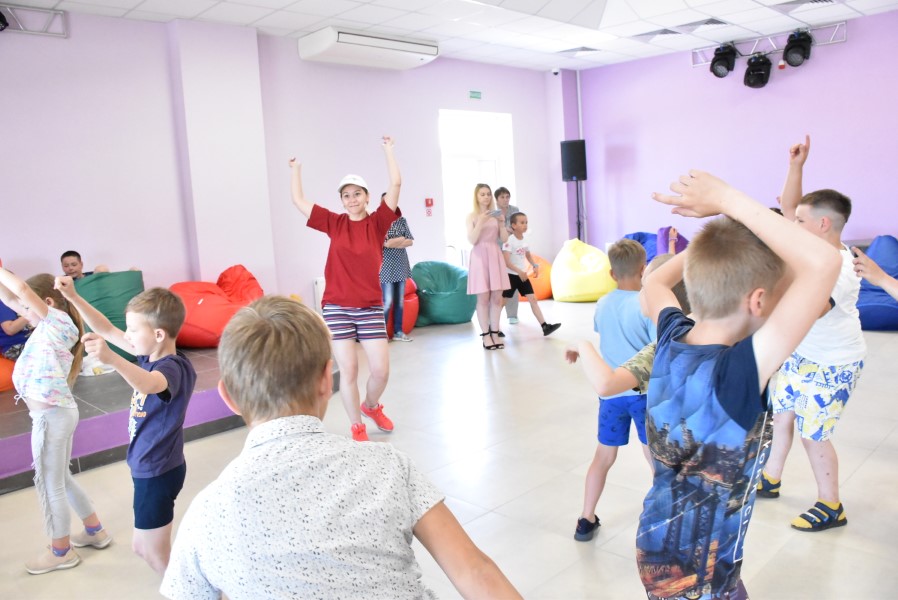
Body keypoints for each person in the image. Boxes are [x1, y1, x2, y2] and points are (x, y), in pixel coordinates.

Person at [160, 296, 522, 600]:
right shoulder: (388, 466)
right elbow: (475, 571)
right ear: (325, 380)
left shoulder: (207, 512)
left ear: (228, 397)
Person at [636, 170, 841, 599]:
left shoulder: (672, 333)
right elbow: (824, 263)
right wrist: (726, 201)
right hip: (698, 577)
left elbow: (653, 282)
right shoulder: (739, 372)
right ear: (759, 300)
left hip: (661, 546)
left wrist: (716, 241)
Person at [757, 135, 866, 533]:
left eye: (801, 222)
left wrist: (767, 301)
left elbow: (812, 310)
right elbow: (790, 207)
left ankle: (831, 504)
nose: (793, 226)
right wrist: (796, 166)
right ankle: (770, 478)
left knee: (813, 434)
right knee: (781, 415)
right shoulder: (814, 245)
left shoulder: (838, 267)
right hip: (804, 354)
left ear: (823, 224)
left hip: (833, 362)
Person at [55, 278, 196, 575]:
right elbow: (106, 328)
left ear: (158, 334)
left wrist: (112, 359)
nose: (127, 335)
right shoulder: (150, 356)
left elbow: (150, 384)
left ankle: (190, 590)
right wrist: (74, 297)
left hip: (158, 471)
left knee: (153, 552)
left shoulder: (172, 367)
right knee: (142, 546)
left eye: (133, 330)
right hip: (150, 467)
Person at [289, 136, 401, 442]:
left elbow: (395, 184)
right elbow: (299, 201)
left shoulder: (378, 223)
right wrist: (296, 170)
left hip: (370, 307)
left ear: (366, 197)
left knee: (381, 371)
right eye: (346, 195)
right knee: (348, 371)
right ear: (342, 200)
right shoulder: (334, 223)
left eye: (357, 194)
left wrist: (388, 151)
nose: (351, 199)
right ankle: (356, 425)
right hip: (337, 307)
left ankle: (371, 406)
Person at [0, 267, 108, 575]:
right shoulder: (48, 325)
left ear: (47, 302)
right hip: (55, 414)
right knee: (61, 478)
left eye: (27, 309)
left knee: (51, 486)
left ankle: (61, 551)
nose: (24, 315)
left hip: (50, 418)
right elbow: (12, 297)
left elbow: (21, 291)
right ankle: (94, 530)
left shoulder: (56, 321)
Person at [573, 238, 655, 542]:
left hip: (610, 396)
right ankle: (663, 515)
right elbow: (658, 348)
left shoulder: (604, 303)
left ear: (611, 273)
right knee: (654, 458)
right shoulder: (646, 305)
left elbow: (602, 333)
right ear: (644, 269)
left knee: (603, 457)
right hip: (642, 395)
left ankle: (586, 517)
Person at [500, 212, 559, 336]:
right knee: (503, 302)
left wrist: (534, 265)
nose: (525, 225)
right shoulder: (509, 241)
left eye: (526, 222)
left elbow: (527, 254)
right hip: (511, 276)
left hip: (523, 276)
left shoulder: (525, 240)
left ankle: (545, 326)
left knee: (533, 299)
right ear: (514, 225)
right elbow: (506, 262)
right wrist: (519, 271)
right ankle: (494, 327)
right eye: (522, 223)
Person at [466, 184, 510, 350]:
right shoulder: (471, 216)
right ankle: (485, 335)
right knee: (483, 298)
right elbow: (472, 240)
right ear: (476, 197)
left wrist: (502, 224)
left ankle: (495, 333)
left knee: (497, 297)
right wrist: (481, 222)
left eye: (488, 194)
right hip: (479, 256)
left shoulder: (496, 215)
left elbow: (504, 239)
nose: (486, 197)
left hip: (494, 254)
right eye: (482, 194)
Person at [380, 192, 415, 342]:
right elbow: (384, 243)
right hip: (386, 268)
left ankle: (398, 332)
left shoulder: (401, 220)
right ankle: (380, 334)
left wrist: (393, 241)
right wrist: (400, 239)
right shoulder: (378, 221)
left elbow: (410, 241)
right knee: (387, 302)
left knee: (399, 301)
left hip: (401, 265)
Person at [495, 187, 521, 325]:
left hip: (511, 250)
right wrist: (505, 229)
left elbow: (520, 227)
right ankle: (494, 315)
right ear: (497, 199)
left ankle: (512, 314)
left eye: (507, 196)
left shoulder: (515, 210)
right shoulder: (493, 213)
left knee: (513, 282)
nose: (505, 200)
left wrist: (513, 230)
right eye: (502, 197)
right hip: (497, 250)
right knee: (499, 285)